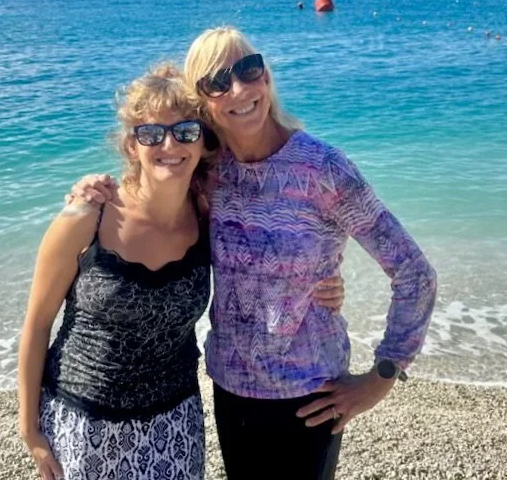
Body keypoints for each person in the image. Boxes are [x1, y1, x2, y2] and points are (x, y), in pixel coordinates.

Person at [70, 27, 438, 480]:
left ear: (266, 78)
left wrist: (381, 376)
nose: (240, 89)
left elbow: (414, 273)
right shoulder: (209, 172)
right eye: (218, 82)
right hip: (230, 388)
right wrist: (95, 191)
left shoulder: (322, 169)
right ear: (203, 103)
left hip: (310, 394)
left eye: (249, 70)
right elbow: (152, 193)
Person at [18, 64, 344, 480]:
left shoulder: (208, 214)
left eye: (185, 131)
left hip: (174, 424)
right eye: (151, 133)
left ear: (203, 142)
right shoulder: (88, 217)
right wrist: (30, 430)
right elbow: (37, 324)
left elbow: (267, 260)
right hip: (84, 423)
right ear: (132, 145)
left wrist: (320, 284)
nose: (169, 144)